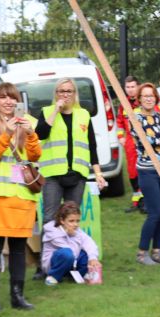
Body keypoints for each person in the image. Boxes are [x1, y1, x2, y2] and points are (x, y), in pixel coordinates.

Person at [0, 82, 41, 311]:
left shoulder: (28, 123)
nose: (8, 102)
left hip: (22, 196)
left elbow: (35, 155)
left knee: (18, 247)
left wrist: (30, 134)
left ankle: (17, 296)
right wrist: (7, 133)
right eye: (3, 97)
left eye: (12, 97)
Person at [36, 78, 107, 224]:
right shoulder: (47, 112)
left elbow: (92, 146)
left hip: (77, 175)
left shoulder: (84, 115)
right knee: (50, 219)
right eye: (61, 91)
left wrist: (98, 173)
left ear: (75, 94)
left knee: (72, 219)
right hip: (52, 175)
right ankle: (51, 247)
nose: (65, 94)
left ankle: (69, 248)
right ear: (56, 94)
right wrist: (56, 110)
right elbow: (40, 134)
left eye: (69, 91)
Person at [130, 82, 160, 265]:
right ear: (139, 99)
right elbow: (144, 139)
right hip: (147, 170)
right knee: (154, 212)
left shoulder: (159, 117)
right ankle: (142, 252)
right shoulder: (135, 117)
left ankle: (157, 251)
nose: (149, 99)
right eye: (145, 96)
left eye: (151, 95)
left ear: (156, 98)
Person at [41, 201, 101, 284]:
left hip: (72, 262)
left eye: (77, 221)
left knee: (87, 253)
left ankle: (77, 276)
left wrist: (93, 258)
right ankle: (53, 277)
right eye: (71, 221)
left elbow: (89, 242)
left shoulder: (77, 231)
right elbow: (71, 250)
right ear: (62, 220)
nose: (75, 224)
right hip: (53, 265)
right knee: (66, 253)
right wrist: (73, 235)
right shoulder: (52, 231)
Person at [120, 76, 143, 212]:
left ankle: (145, 201)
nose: (130, 90)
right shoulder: (124, 103)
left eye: (132, 86)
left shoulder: (143, 101)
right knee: (132, 171)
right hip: (129, 141)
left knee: (144, 170)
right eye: (127, 87)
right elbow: (119, 122)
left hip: (143, 140)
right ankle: (136, 202)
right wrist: (120, 137)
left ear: (138, 86)